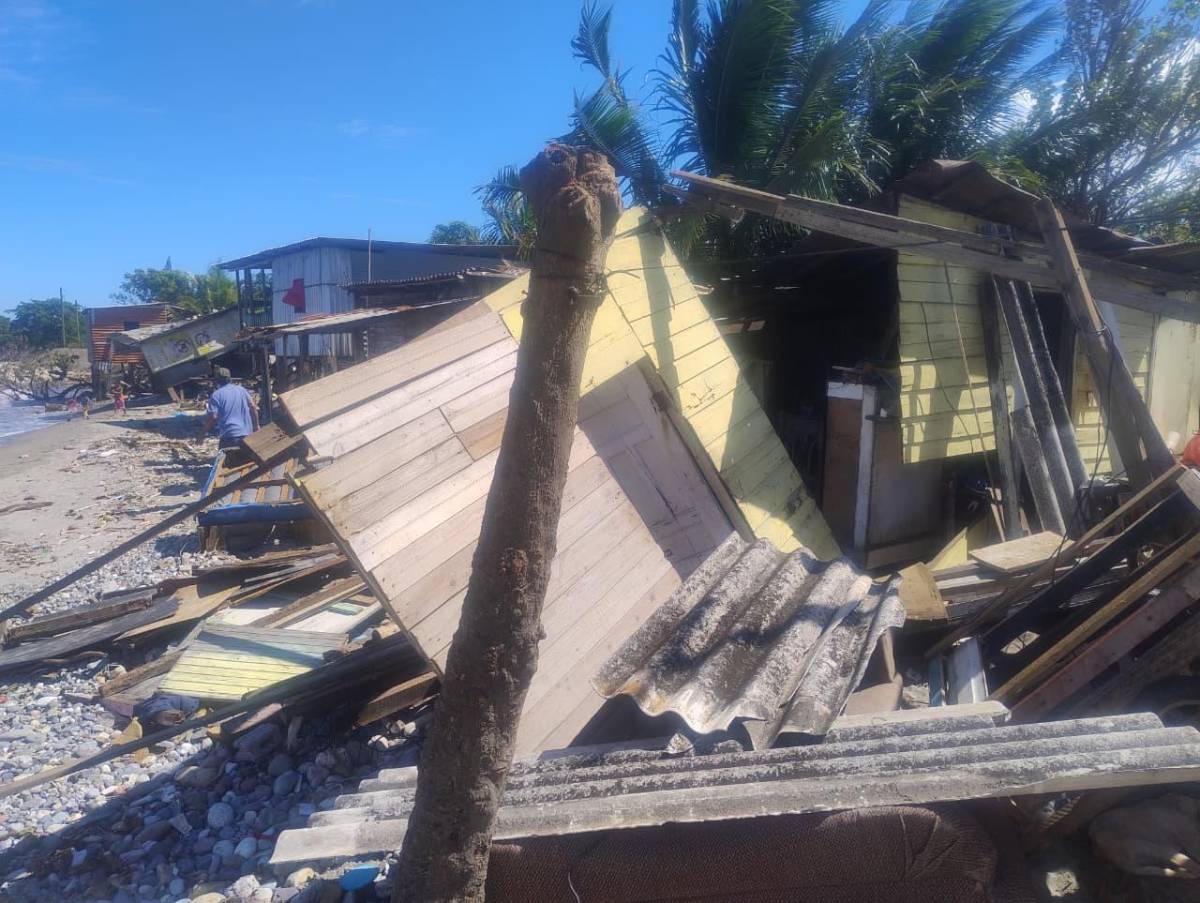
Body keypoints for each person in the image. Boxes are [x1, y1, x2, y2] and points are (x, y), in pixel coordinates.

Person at [199, 367, 259, 461]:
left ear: (216, 381)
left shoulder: (216, 395)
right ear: (230, 379)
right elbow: (253, 407)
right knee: (248, 464)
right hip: (247, 435)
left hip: (229, 437)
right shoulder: (241, 390)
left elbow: (213, 417)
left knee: (224, 466)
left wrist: (202, 434)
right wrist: (256, 426)